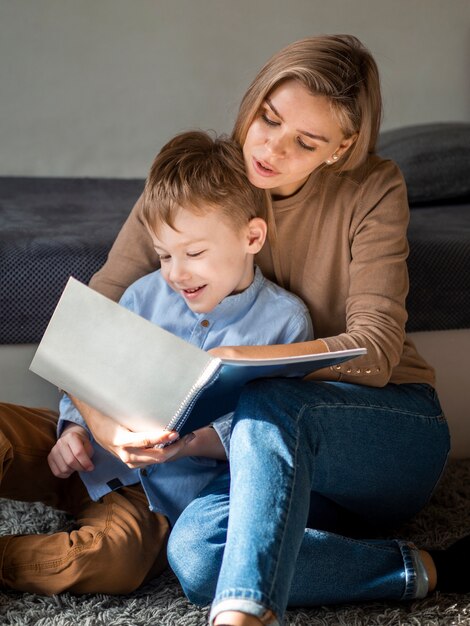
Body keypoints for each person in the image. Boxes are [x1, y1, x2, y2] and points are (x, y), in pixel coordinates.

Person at [76, 34, 469, 626]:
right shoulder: (202, 177)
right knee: (197, 554)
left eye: (305, 141)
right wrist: (103, 422)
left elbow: (378, 348)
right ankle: (426, 569)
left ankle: (245, 618)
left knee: (269, 398)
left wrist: (247, 360)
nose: (270, 148)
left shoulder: (374, 189)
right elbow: (93, 315)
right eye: (268, 118)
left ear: (340, 150)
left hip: (382, 436)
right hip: (266, 458)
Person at [0, 130, 312, 595]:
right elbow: (89, 372)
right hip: (88, 455)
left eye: (195, 253)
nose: (176, 273)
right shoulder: (144, 294)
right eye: (164, 254)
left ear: (252, 236)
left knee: (110, 560)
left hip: (157, 502)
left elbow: (269, 440)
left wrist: (188, 444)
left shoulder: (285, 325)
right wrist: (74, 431)